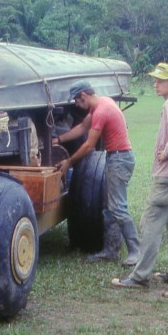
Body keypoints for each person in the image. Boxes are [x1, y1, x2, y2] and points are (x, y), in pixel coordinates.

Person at [112, 62, 168, 290]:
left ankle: (140, 276)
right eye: (155, 80)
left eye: (160, 81)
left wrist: (166, 152)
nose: (155, 84)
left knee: (150, 222)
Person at [54, 80, 141, 266]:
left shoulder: (101, 111)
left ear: (84, 96)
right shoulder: (101, 104)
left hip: (120, 159)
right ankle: (111, 251)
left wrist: (68, 161)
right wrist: (59, 139)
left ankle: (136, 251)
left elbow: (88, 146)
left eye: (77, 101)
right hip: (115, 157)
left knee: (118, 207)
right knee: (109, 208)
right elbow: (81, 128)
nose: (76, 105)